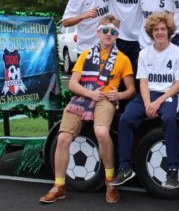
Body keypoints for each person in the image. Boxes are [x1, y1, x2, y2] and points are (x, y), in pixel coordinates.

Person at [39, 14, 135, 204]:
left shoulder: (123, 59)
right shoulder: (85, 55)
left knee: (101, 132)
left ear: (117, 35)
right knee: (63, 137)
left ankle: (110, 183)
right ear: (97, 32)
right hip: (84, 96)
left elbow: (131, 89)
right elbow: (73, 85)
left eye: (113, 32)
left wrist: (120, 95)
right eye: (105, 30)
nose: (109, 34)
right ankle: (59, 186)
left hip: (106, 99)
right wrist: (91, 94)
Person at [110, 13, 179, 189]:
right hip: (148, 95)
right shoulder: (145, 53)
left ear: (168, 31)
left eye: (163, 29)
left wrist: (157, 102)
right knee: (125, 119)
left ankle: (173, 169)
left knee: (169, 119)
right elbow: (143, 83)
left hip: (170, 94)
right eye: (156, 30)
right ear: (151, 32)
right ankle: (125, 168)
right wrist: (148, 104)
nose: (160, 32)